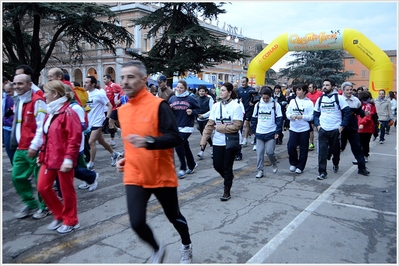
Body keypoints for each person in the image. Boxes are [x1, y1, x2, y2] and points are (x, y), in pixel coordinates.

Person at [116, 60, 193, 264]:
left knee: (174, 216)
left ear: (144, 79)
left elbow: (175, 138)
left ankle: (186, 244)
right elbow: (133, 144)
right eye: (122, 77)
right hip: (134, 174)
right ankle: (157, 249)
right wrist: (126, 158)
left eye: (130, 77)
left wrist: (148, 142)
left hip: (160, 174)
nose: (125, 81)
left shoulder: (159, 105)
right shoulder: (123, 110)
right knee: (136, 222)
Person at [36, 80, 82, 234]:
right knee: (42, 187)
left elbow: (74, 138)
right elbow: (47, 136)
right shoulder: (52, 111)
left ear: (55, 94)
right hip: (49, 158)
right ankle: (60, 214)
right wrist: (41, 153)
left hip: (63, 160)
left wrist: (69, 158)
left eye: (46, 92)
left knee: (66, 191)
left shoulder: (68, 112)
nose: (44, 95)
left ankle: (71, 220)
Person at [10, 74, 49, 219]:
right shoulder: (18, 100)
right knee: (16, 177)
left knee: (40, 181)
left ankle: (44, 207)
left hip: (35, 148)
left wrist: (35, 146)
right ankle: (31, 204)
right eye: (15, 84)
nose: (17, 87)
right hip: (21, 148)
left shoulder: (37, 101)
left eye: (20, 84)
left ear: (29, 84)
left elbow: (41, 126)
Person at [200, 82, 243, 201]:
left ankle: (226, 190)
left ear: (229, 92)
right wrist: (204, 139)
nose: (221, 92)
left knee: (227, 166)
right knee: (217, 165)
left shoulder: (236, 106)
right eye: (220, 90)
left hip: (231, 141)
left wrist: (221, 128)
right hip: (218, 141)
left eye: (223, 90)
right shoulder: (215, 106)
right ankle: (228, 178)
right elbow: (210, 124)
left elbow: (237, 126)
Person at [313, 78, 351, 180]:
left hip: (335, 129)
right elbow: (315, 114)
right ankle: (322, 172)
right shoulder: (320, 99)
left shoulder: (339, 98)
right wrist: (318, 125)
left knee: (335, 151)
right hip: (323, 129)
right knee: (322, 152)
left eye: (327, 85)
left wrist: (342, 126)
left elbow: (347, 113)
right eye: (323, 85)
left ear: (332, 87)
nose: (324, 87)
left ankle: (336, 163)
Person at [64, 85, 99, 192]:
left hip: (75, 142)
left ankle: (91, 177)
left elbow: (82, 125)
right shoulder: (61, 107)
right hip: (66, 143)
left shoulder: (75, 108)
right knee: (76, 165)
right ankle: (89, 178)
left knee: (77, 165)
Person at [84, 75, 121, 170]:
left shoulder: (99, 94)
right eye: (85, 82)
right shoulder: (85, 94)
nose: (85, 84)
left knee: (91, 141)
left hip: (98, 121)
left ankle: (91, 164)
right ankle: (114, 154)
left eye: (87, 82)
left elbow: (109, 105)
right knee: (101, 141)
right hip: (90, 122)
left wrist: (107, 118)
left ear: (93, 84)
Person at [168, 80, 200, 179]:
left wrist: (192, 111)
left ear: (185, 88)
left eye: (181, 88)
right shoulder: (172, 98)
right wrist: (169, 108)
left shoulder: (190, 98)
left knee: (178, 144)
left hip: (187, 126)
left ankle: (183, 168)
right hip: (176, 126)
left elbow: (199, 109)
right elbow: (168, 112)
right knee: (184, 146)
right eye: (178, 87)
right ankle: (192, 164)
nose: (179, 89)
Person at [250, 86, 283, 178]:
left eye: (267, 98)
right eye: (263, 98)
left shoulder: (275, 105)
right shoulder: (258, 105)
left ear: (270, 96)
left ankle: (274, 162)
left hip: (271, 132)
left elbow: (279, 119)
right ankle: (260, 170)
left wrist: (277, 132)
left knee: (269, 152)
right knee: (259, 153)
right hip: (260, 132)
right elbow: (254, 118)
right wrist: (254, 131)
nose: (265, 100)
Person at [339, 82, 370, 176]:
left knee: (357, 148)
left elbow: (359, 111)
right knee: (340, 147)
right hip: (341, 128)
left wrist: (364, 113)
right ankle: (333, 159)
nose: (349, 92)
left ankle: (362, 168)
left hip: (352, 128)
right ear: (343, 90)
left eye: (350, 89)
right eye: (347, 90)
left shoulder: (356, 100)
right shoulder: (339, 99)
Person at [285, 84, 314, 174]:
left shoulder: (309, 103)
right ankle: (293, 163)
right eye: (296, 90)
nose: (297, 92)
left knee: (303, 148)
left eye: (299, 90)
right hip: (293, 128)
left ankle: (300, 166)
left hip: (304, 129)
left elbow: (311, 116)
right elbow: (287, 113)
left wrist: (301, 117)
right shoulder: (293, 101)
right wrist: (291, 116)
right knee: (291, 146)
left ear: (304, 91)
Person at [357, 90, 377, 164]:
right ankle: (361, 156)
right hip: (360, 127)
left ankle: (365, 155)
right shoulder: (361, 104)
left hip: (367, 127)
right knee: (359, 143)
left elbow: (368, 116)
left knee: (365, 143)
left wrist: (362, 123)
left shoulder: (369, 105)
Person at [103, 74, 123, 147]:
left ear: (109, 79)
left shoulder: (114, 85)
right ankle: (119, 130)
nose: (104, 80)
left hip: (117, 107)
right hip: (111, 107)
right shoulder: (105, 87)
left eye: (105, 79)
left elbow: (122, 90)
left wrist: (120, 100)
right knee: (117, 124)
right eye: (103, 79)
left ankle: (112, 140)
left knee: (110, 122)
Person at [195, 85, 214, 159]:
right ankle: (212, 146)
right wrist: (197, 115)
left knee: (205, 135)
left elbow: (212, 110)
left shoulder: (209, 99)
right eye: (200, 91)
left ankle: (202, 151)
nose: (201, 92)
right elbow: (195, 108)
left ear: (205, 92)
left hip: (207, 119)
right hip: (199, 120)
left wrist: (204, 115)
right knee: (204, 135)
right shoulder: (196, 99)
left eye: (203, 91)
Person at [237, 77, 255, 146]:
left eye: (244, 82)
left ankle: (245, 139)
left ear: (247, 82)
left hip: (249, 109)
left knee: (246, 123)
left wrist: (253, 102)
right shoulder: (239, 90)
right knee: (244, 124)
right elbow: (237, 98)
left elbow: (255, 98)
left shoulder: (251, 89)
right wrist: (239, 101)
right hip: (242, 109)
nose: (243, 83)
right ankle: (252, 134)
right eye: (242, 82)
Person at [3, 82, 15, 170]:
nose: (7, 93)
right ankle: (15, 166)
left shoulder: (17, 99)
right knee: (8, 149)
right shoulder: (6, 97)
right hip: (6, 126)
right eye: (6, 91)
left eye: (9, 91)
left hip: (12, 126)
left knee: (13, 150)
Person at [306, 83, 322, 151]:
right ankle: (311, 143)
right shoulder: (307, 95)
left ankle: (322, 142)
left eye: (310, 87)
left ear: (314, 88)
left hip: (319, 113)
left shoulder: (320, 93)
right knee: (311, 130)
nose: (309, 89)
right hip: (311, 114)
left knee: (320, 129)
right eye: (308, 87)